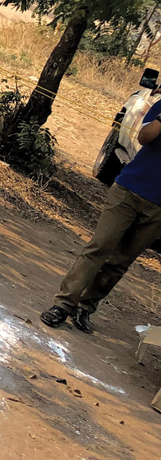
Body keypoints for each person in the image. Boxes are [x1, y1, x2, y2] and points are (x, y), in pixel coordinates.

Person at [41, 100, 161, 332]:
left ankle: (86, 308)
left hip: (158, 209)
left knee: (120, 262)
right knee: (100, 247)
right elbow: (144, 138)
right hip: (129, 190)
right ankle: (63, 305)